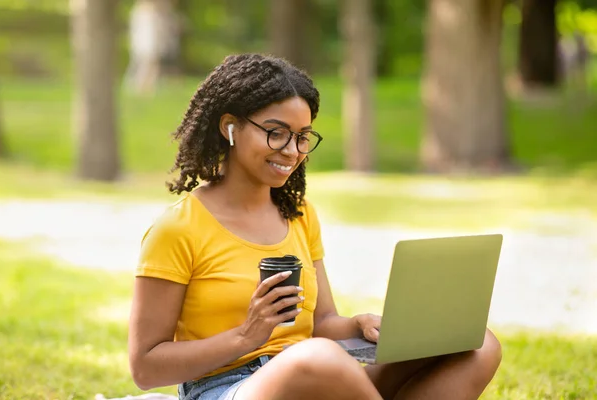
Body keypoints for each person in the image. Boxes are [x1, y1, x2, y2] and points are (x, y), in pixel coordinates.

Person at [128, 53, 502, 400]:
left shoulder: (298, 213)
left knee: (474, 343)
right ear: (230, 127)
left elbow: (322, 323)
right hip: (224, 388)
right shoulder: (177, 229)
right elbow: (145, 367)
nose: (291, 151)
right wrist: (247, 335)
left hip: (316, 375)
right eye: (276, 132)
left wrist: (359, 325)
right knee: (316, 360)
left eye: (302, 137)